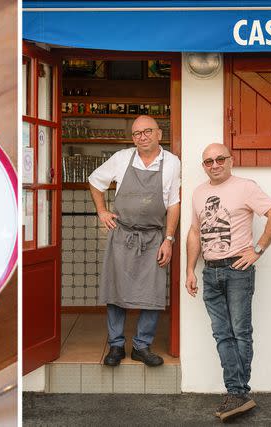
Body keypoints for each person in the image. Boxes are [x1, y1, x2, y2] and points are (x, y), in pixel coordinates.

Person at [186, 143, 271, 421]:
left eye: (220, 159)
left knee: (240, 332)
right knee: (222, 334)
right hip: (210, 270)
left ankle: (236, 392)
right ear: (203, 166)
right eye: (208, 161)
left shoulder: (245, 187)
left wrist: (258, 249)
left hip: (237, 269)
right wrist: (190, 270)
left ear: (231, 160)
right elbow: (195, 232)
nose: (214, 164)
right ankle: (238, 393)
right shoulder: (198, 192)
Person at [89, 115, 181, 367]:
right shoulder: (122, 158)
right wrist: (102, 211)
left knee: (152, 292)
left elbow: (174, 203)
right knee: (115, 291)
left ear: (159, 134)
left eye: (147, 131)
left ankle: (142, 346)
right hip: (122, 235)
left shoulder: (172, 163)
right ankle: (116, 345)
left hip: (154, 237)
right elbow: (95, 181)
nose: (142, 137)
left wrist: (169, 239)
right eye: (137, 133)